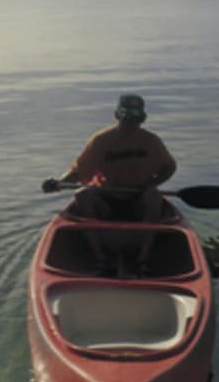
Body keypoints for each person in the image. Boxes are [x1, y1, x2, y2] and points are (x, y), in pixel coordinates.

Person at [42, 94, 177, 275]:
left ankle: (143, 259)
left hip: (138, 199)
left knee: (153, 195)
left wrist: (150, 183)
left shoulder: (151, 141)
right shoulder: (101, 140)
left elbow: (169, 167)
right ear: (117, 115)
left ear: (142, 118)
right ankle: (100, 258)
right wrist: (58, 183)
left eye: (135, 116)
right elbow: (78, 173)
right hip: (107, 199)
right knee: (82, 194)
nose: (130, 121)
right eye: (126, 115)